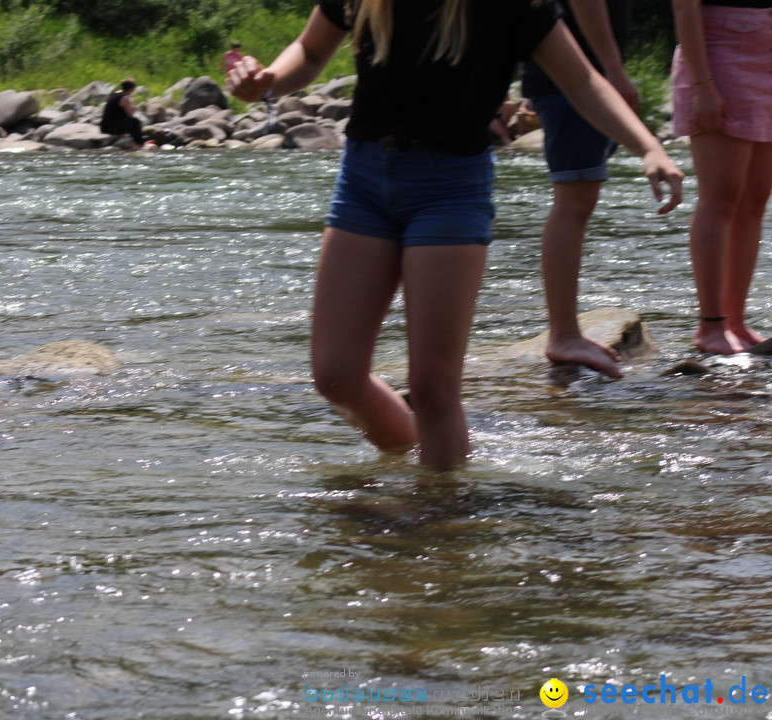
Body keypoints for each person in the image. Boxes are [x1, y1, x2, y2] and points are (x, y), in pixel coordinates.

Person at [228, 0, 683, 469]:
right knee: (336, 377)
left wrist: (647, 146)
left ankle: (443, 515)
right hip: (363, 181)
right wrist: (269, 81)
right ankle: (416, 467)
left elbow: (582, 80)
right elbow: (308, 49)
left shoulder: (518, 6)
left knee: (431, 387)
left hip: (450, 189)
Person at [522, 0, 640, 377]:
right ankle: (563, 333)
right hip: (574, 81)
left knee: (578, 202)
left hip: (568, 78)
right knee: (573, 203)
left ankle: (564, 330)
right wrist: (613, 71)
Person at [671, 0, 772, 355]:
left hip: (765, 55)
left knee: (754, 200)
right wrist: (703, 86)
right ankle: (711, 326)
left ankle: (736, 322)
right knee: (722, 197)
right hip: (720, 56)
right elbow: (684, 8)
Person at [100, 78, 145, 147]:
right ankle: (139, 144)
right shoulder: (124, 98)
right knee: (135, 122)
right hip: (111, 128)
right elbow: (130, 115)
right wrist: (133, 107)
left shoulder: (114, 94)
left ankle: (126, 138)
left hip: (105, 126)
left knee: (126, 120)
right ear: (131, 89)